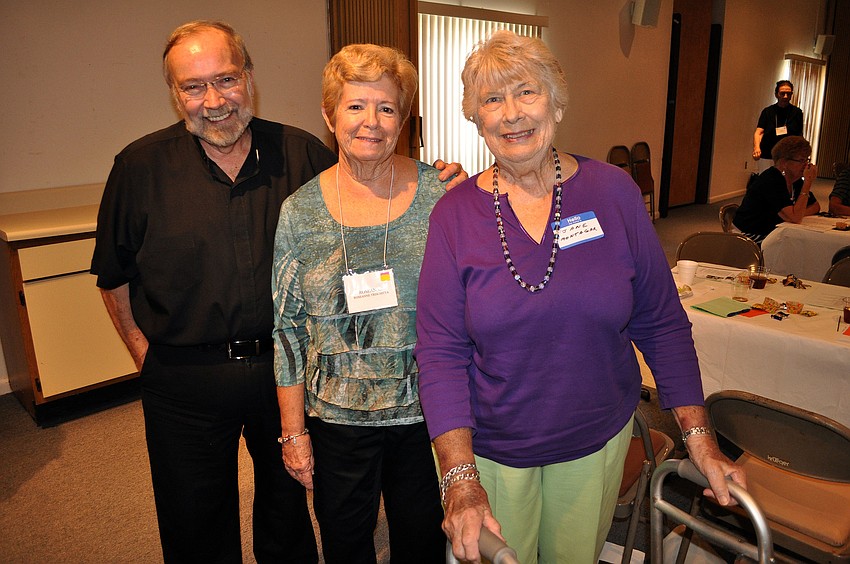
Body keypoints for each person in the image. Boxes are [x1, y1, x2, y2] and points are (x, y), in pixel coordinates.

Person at [91, 21, 463, 563]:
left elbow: (362, 178)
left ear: (249, 78)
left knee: (288, 520)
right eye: (193, 87)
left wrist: (435, 176)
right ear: (175, 94)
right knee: (193, 521)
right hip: (185, 380)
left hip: (281, 372)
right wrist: (146, 357)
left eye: (227, 79)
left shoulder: (300, 152)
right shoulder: (139, 168)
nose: (214, 101)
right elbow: (114, 274)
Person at [414, 30, 746, 564]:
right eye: (492, 100)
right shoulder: (453, 217)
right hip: (491, 452)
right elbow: (439, 352)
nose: (512, 114)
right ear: (476, 119)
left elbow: (661, 322)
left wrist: (700, 437)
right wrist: (459, 477)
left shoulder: (613, 192)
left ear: (557, 100)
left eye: (526, 92)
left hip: (595, 439)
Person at [272, 44, 449, 563]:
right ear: (329, 115)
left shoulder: (443, 194)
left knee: (423, 541)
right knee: (347, 544)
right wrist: (292, 432)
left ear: (404, 118)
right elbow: (287, 330)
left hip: (425, 412)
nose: (371, 121)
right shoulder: (299, 211)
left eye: (387, 107)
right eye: (355, 106)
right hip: (337, 418)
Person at [734, 135, 820, 243]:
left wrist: (797, 213)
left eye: (807, 160)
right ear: (784, 162)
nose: (806, 165)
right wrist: (808, 182)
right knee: (798, 246)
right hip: (749, 236)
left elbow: (815, 206)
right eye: (801, 161)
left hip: (772, 231)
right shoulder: (772, 180)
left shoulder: (795, 181)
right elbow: (796, 218)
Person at [752, 80, 803, 172]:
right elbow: (759, 132)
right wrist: (757, 148)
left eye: (788, 94)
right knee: (767, 181)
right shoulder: (767, 111)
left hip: (788, 155)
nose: (785, 96)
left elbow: (799, 135)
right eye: (782, 93)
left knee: (785, 182)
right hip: (768, 153)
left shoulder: (797, 112)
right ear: (776, 94)